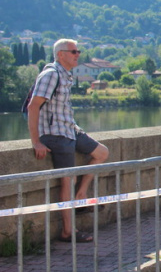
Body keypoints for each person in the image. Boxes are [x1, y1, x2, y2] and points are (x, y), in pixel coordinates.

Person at [28, 38, 110, 243]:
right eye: (73, 51)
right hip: (56, 136)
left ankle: (80, 194)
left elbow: (63, 110)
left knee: (101, 153)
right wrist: (36, 142)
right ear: (60, 54)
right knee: (67, 180)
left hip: (70, 131)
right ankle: (67, 231)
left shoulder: (66, 76)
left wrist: (78, 130)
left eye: (78, 51)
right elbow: (33, 106)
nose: (78, 54)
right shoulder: (51, 75)